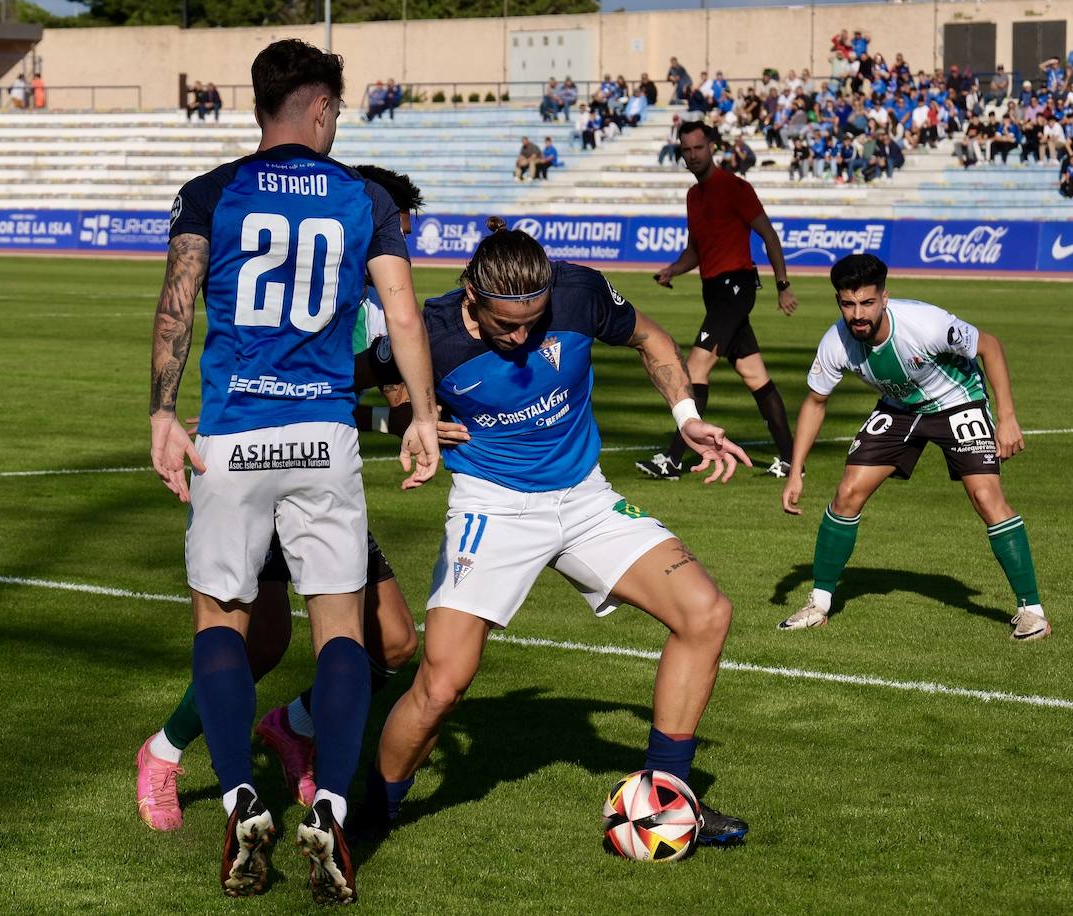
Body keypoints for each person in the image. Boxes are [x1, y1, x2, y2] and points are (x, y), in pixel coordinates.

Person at [144, 38, 438, 904]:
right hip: (323, 437)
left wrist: (162, 413)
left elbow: (176, 307)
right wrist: (421, 414)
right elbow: (403, 314)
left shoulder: (212, 191)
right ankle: (337, 807)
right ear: (317, 106)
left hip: (234, 438)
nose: (338, 123)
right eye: (338, 111)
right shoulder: (364, 195)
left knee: (223, 623)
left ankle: (239, 796)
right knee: (341, 631)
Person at [356, 218, 753, 850]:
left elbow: (652, 339)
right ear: (470, 295)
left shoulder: (577, 292)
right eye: (505, 324)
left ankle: (668, 799)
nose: (521, 337)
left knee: (706, 613)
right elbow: (348, 391)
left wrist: (687, 418)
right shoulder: (425, 332)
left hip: (586, 499)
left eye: (533, 322)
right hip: (494, 506)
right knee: (442, 684)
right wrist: (404, 420)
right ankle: (370, 814)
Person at [779, 254, 1049, 642]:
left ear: (884, 298)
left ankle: (1032, 611)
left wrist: (1006, 417)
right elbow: (815, 402)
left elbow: (990, 346)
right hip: (900, 408)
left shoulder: (926, 324)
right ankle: (818, 605)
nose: (858, 314)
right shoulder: (835, 342)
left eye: (867, 303)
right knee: (847, 493)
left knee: (985, 496)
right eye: (848, 304)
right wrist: (795, 471)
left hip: (957, 399)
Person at [637, 121, 799, 481]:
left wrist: (783, 285)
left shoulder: (736, 188)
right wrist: (672, 271)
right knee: (754, 375)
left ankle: (672, 459)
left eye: (698, 148)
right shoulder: (693, 197)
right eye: (686, 150)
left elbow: (769, 236)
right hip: (716, 293)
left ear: (712, 146)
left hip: (735, 290)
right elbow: (695, 251)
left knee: (694, 370)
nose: (692, 155)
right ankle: (791, 459)